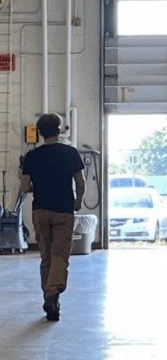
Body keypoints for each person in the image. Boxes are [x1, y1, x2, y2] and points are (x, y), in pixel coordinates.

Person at [20, 113, 85, 321]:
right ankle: (52, 294)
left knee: (46, 256)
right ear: (59, 130)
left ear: (39, 133)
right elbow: (80, 182)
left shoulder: (32, 157)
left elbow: (24, 187)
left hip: (40, 210)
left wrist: (39, 184)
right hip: (63, 210)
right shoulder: (70, 153)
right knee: (60, 255)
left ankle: (51, 301)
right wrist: (78, 200)